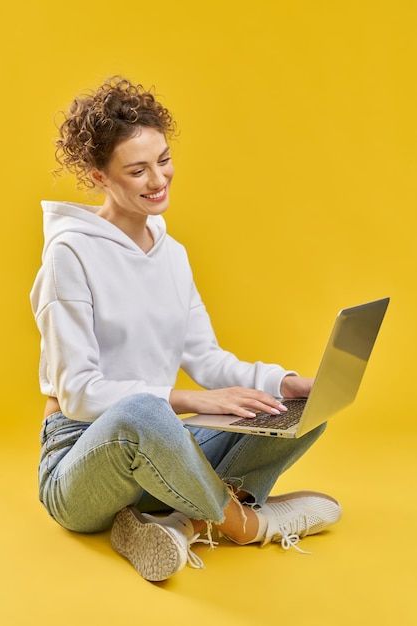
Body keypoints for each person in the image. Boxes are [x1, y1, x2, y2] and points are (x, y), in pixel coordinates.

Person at [30, 76, 342, 583]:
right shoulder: (70, 253)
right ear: (98, 177)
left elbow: (206, 358)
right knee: (145, 412)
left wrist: (282, 384)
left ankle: (174, 523)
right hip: (80, 464)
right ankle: (243, 523)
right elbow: (79, 394)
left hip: (165, 453)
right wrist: (193, 401)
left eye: (164, 160)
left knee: (300, 411)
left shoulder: (172, 254)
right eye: (137, 170)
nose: (158, 180)